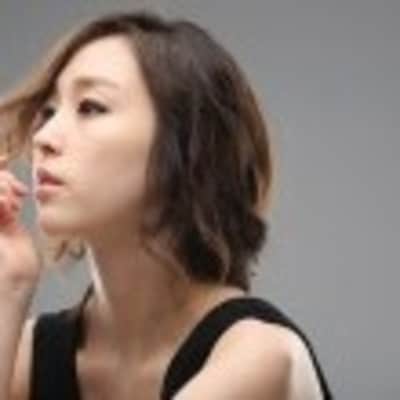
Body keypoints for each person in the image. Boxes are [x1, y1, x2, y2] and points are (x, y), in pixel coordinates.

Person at [0, 10, 333, 400]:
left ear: (188, 146)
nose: (43, 137)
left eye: (90, 107)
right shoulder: (26, 356)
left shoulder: (261, 356)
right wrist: (10, 286)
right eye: (48, 112)